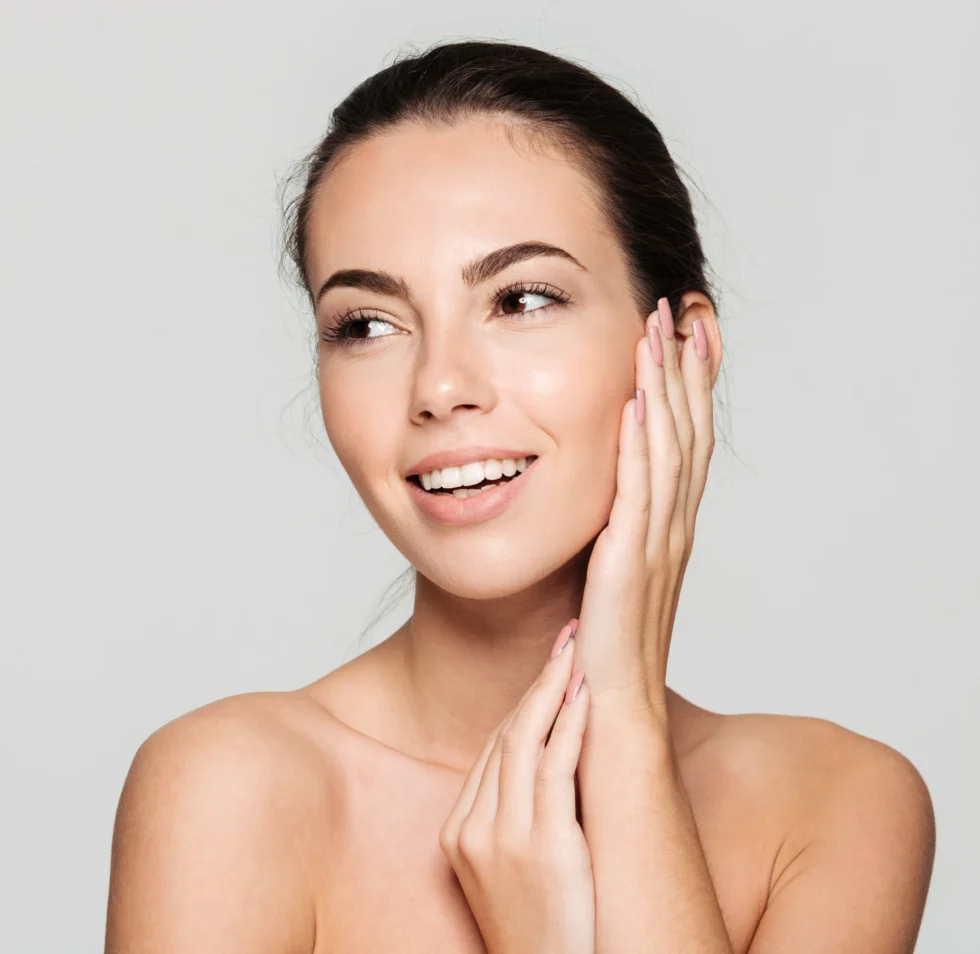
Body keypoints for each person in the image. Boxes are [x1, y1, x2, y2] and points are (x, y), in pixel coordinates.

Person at [104, 39, 936, 954]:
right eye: (367, 323)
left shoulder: (834, 806)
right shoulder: (231, 791)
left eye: (523, 299)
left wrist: (622, 736)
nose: (440, 385)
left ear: (683, 346)